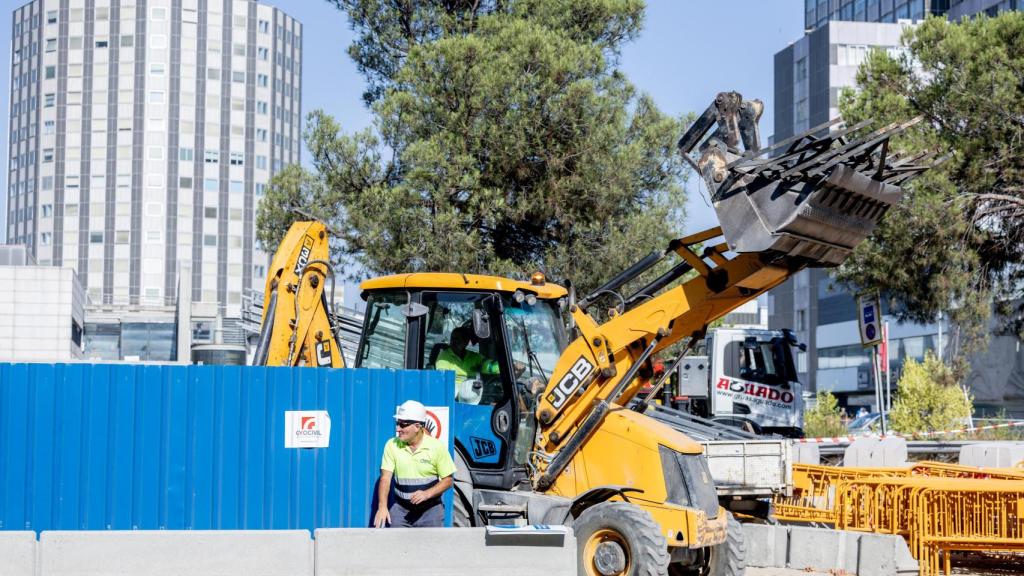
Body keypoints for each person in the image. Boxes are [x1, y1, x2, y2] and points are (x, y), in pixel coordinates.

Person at [374, 400, 456, 528]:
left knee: (430, 548)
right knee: (395, 547)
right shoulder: (391, 445)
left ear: (417, 426)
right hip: (401, 511)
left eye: (403, 424)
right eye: (397, 423)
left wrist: (426, 494)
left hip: (431, 511)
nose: (397, 429)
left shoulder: (437, 446)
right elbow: (385, 478)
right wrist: (382, 507)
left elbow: (448, 480)